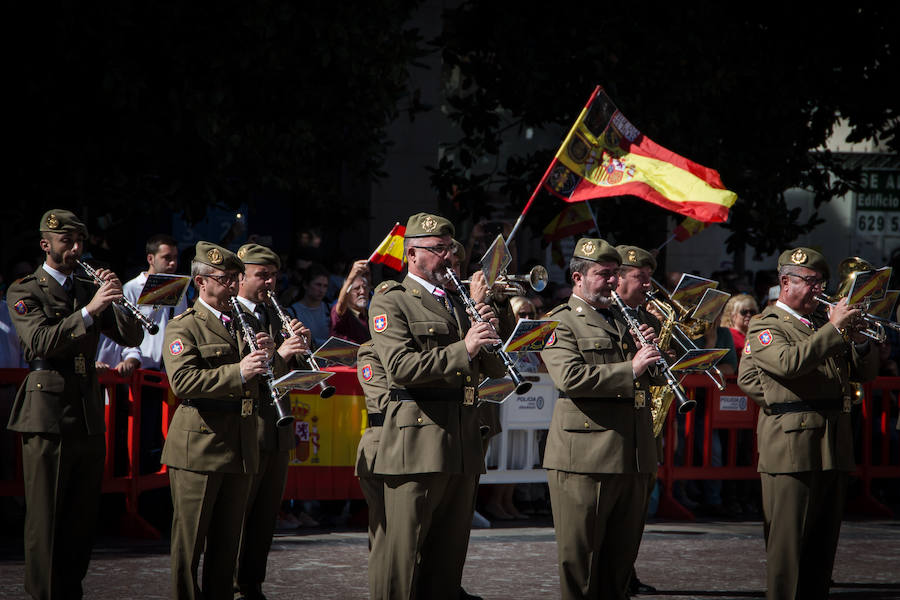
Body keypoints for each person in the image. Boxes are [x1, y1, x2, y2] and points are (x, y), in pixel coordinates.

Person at [6, 209, 144, 599]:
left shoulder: (88, 285)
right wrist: (90, 310)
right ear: (45, 244)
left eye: (80, 241)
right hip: (46, 411)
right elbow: (39, 343)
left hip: (86, 410)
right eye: (67, 241)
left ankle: (71, 591)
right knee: (47, 518)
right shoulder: (25, 289)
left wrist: (116, 298)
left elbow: (132, 335)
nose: (76, 249)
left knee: (82, 518)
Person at [369, 212, 505, 600]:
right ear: (412, 253)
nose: (448, 257)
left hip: (461, 439)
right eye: (438, 249)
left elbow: (493, 366)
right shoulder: (391, 300)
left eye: (451, 249)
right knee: (406, 557)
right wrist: (465, 347)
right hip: (418, 441)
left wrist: (491, 318)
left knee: (448, 559)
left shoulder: (460, 302)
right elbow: (401, 367)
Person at [738, 247, 878, 599]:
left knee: (821, 548)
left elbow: (865, 373)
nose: (819, 289)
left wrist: (859, 341)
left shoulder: (818, 325)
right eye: (811, 282)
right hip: (791, 446)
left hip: (832, 442)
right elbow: (787, 364)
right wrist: (833, 329)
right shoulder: (766, 324)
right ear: (786, 282)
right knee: (789, 549)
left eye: (821, 282)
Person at [540, 238, 663, 600]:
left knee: (620, 562)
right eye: (603, 274)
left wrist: (656, 359)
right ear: (578, 278)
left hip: (633, 452)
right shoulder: (560, 322)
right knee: (582, 562)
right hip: (585, 456)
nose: (611, 281)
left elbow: (649, 378)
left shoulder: (631, 317)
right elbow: (571, 378)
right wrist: (633, 366)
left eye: (614, 275)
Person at [161, 241, 276, 600]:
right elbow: (183, 382)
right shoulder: (185, 326)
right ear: (201, 282)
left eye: (235, 278)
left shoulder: (246, 322)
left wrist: (271, 358)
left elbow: (258, 380)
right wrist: (239, 372)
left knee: (227, 544)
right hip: (200, 443)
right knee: (190, 542)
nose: (232, 286)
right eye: (225, 279)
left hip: (240, 444)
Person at [232, 243, 311, 600]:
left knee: (265, 520)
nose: (269, 282)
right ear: (241, 276)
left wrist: (300, 351)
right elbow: (246, 372)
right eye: (261, 275)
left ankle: (252, 585)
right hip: (249, 428)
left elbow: (281, 372)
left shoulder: (274, 313)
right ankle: (232, 585)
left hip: (278, 429)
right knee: (240, 516)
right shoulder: (229, 314)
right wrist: (280, 355)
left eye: (273, 275)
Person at [95, 233, 189, 472]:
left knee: (160, 433)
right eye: (166, 257)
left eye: (175, 258)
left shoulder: (174, 287)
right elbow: (123, 332)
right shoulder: (131, 288)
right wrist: (132, 358)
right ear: (150, 258)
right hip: (138, 370)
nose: (172, 263)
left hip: (164, 371)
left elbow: (180, 324)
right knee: (138, 433)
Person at [613, 244, 661, 596]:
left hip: (643, 423)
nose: (647, 284)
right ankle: (616, 575)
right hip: (613, 427)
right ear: (618, 279)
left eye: (649, 277)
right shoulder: (607, 314)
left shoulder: (649, 317)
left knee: (634, 513)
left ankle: (626, 571)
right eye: (640, 277)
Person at [289, 264, 332, 348]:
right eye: (318, 285)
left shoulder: (330, 309)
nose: (322, 290)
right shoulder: (292, 312)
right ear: (306, 285)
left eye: (325, 286)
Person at [331, 258, 371, 343]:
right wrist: (351, 277)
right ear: (347, 294)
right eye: (356, 289)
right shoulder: (343, 315)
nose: (362, 292)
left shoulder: (371, 316)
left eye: (364, 287)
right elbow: (341, 305)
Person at [721, 293, 760, 360]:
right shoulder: (728, 334)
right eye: (744, 312)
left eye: (752, 312)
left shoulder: (757, 333)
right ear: (733, 315)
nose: (749, 315)